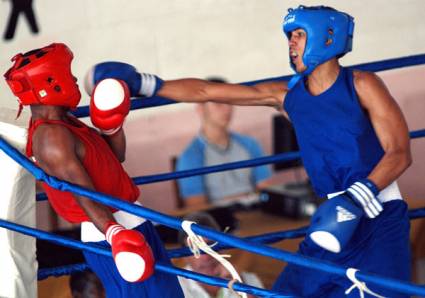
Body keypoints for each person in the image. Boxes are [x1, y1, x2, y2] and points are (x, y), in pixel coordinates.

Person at [85, 5, 412, 297]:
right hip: (331, 219)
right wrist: (145, 84)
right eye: (289, 36)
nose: (292, 43)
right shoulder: (287, 95)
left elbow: (399, 152)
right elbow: (207, 90)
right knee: (289, 291)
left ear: (327, 38)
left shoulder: (362, 84)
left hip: (377, 212)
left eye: (299, 34)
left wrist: (357, 197)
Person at [4, 43, 183, 298]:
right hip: (110, 231)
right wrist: (114, 233)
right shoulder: (51, 136)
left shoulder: (65, 122)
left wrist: (112, 127)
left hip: (130, 221)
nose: (75, 79)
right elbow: (82, 192)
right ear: (50, 82)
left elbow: (115, 158)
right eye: (68, 74)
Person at [176, 77, 271, 207]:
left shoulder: (250, 144)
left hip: (256, 217)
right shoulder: (190, 157)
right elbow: (197, 209)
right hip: (219, 224)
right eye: (219, 103)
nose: (227, 109)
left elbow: (266, 191)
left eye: (229, 102)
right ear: (200, 109)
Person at [177, 212, 264, 298]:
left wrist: (239, 285)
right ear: (185, 256)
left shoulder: (249, 281)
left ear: (223, 247)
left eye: (211, 245)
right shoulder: (175, 285)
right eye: (196, 249)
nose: (206, 257)